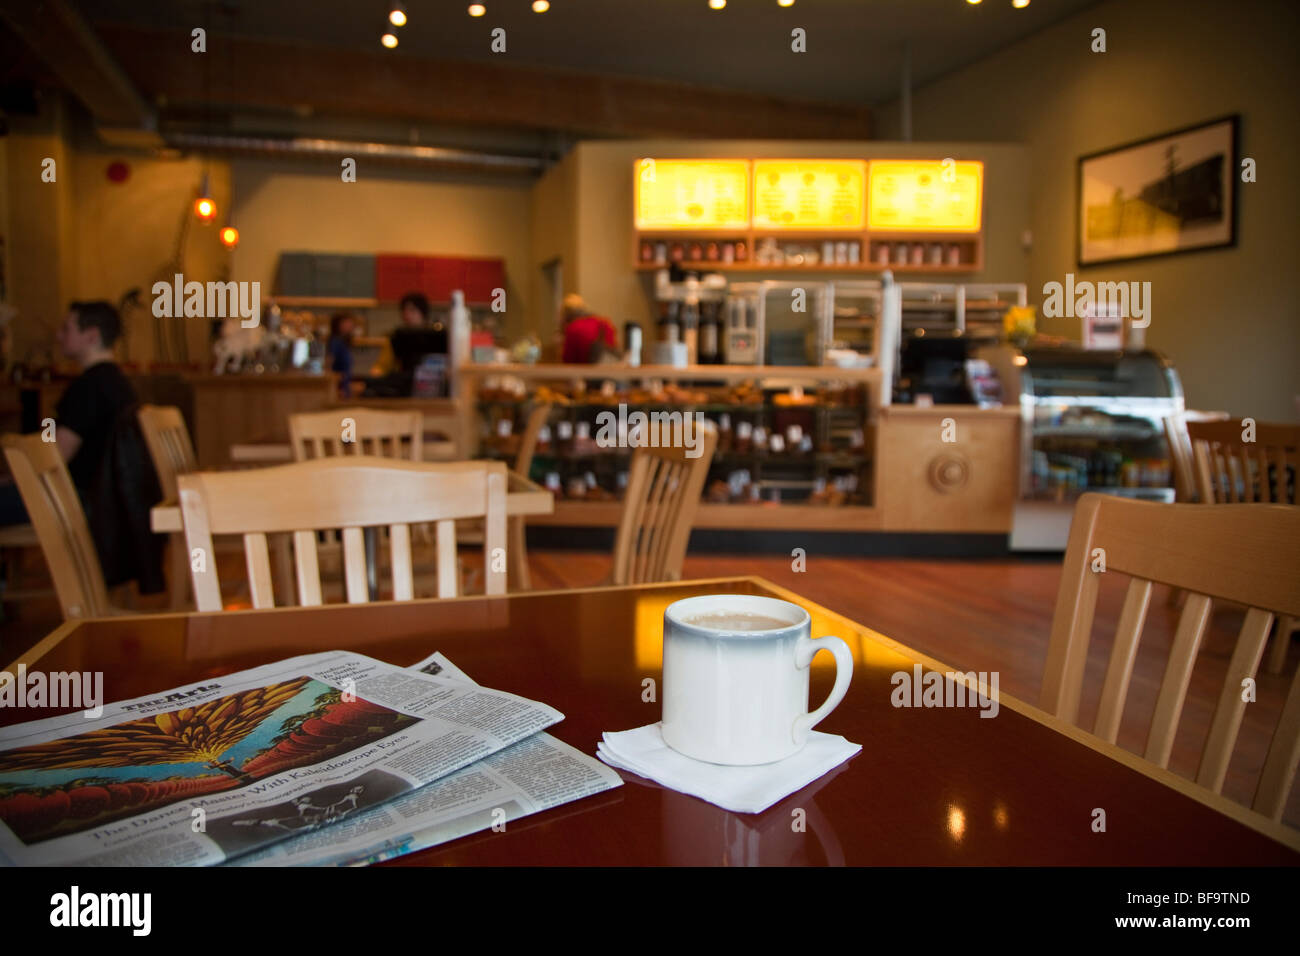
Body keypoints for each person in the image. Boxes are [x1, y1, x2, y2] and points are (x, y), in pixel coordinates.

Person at [0, 302, 139, 526]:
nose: (58, 335)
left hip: (73, 498)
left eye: (66, 329)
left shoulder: (88, 386)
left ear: (92, 336)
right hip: (102, 497)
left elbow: (53, 457)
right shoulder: (118, 383)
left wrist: (15, 475)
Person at [370, 292, 433, 377]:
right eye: (404, 310)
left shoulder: (434, 337)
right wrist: (376, 372)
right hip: (401, 382)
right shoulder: (396, 337)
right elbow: (383, 365)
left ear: (423, 312)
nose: (407, 315)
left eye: (412, 310)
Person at [560, 293, 617, 364]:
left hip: (585, 372)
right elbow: (614, 349)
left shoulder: (573, 328)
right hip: (609, 371)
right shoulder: (604, 323)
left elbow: (568, 360)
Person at [327, 312, 357, 398]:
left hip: (345, 384)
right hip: (338, 386)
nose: (350, 325)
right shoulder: (335, 342)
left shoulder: (344, 342)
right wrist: (337, 387)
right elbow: (330, 363)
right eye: (346, 322)